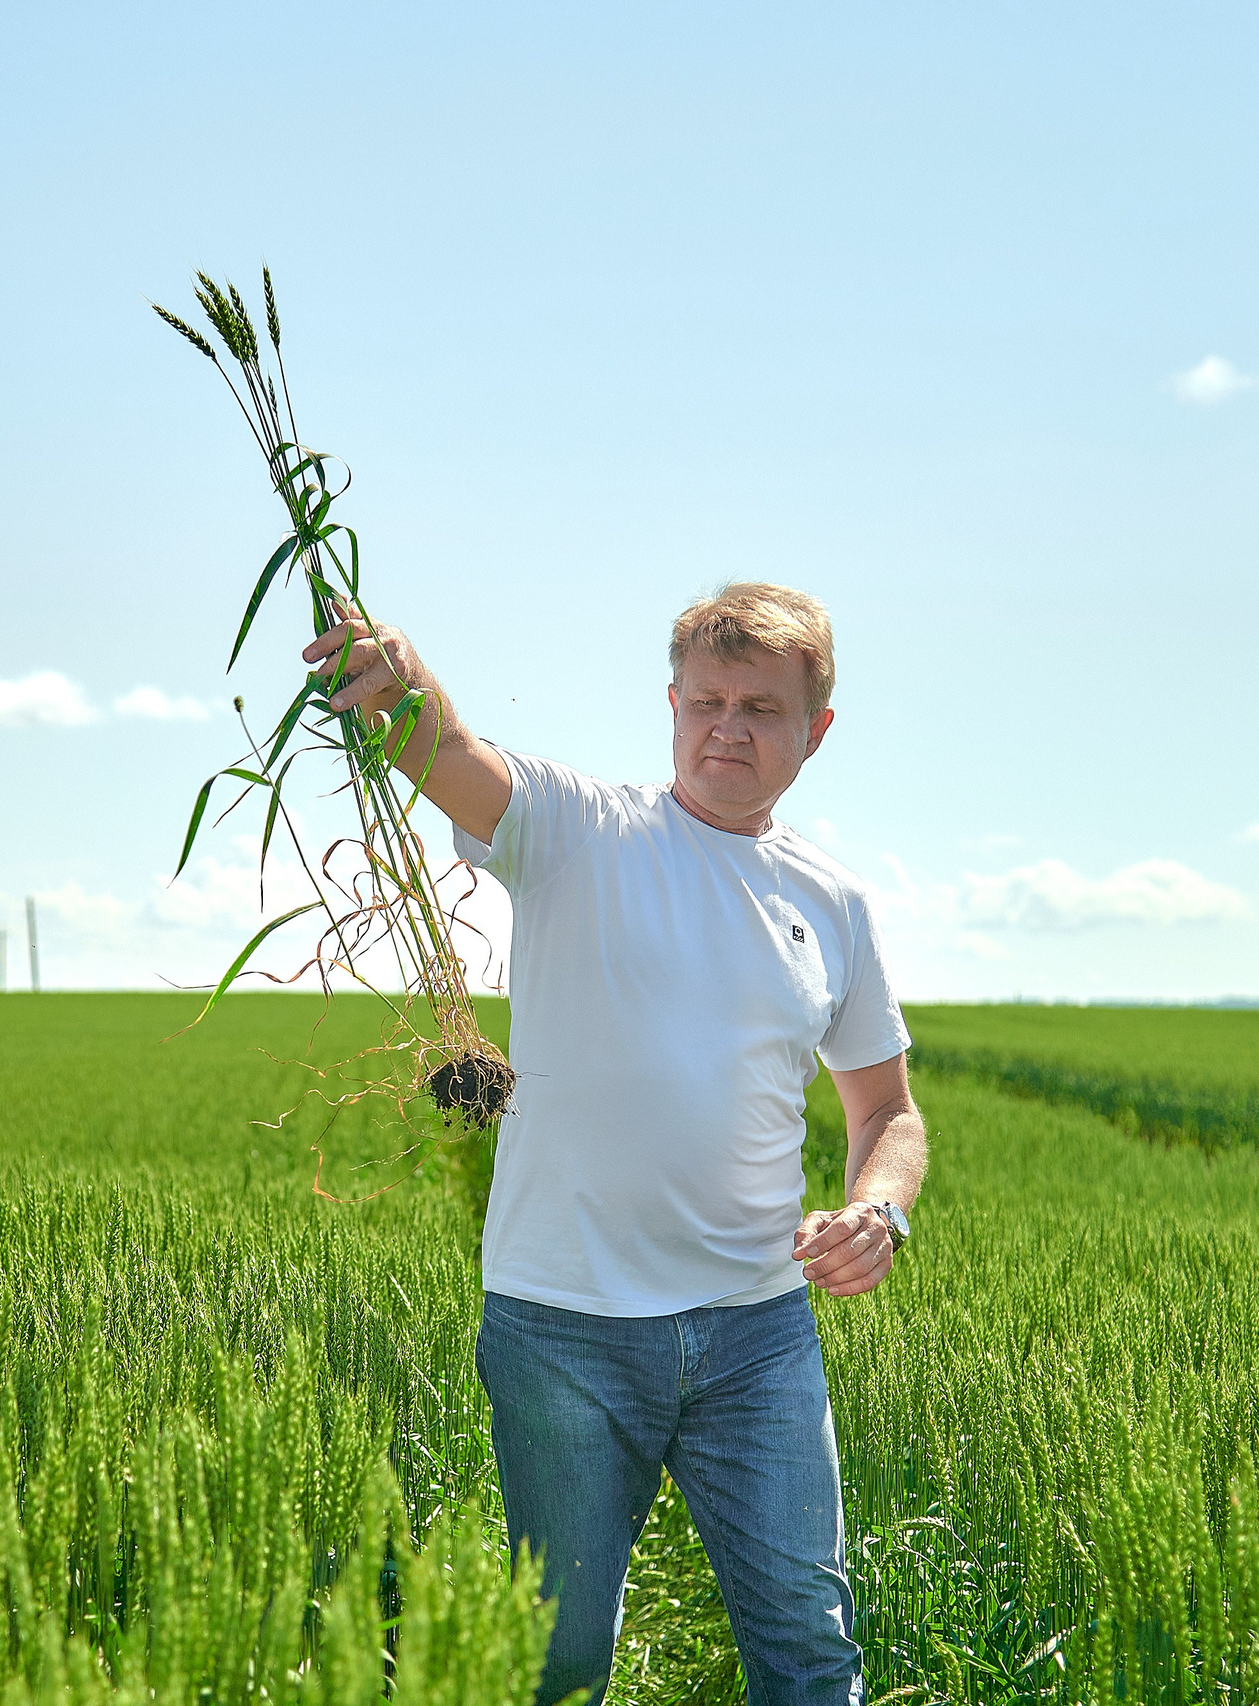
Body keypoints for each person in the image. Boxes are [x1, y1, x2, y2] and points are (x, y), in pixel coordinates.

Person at [303, 581, 926, 1706]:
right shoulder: (577, 826)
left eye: (760, 709)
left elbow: (887, 1112)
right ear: (672, 704)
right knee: (562, 1662)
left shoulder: (832, 902)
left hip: (756, 1333)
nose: (724, 728)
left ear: (814, 730)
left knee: (808, 1645)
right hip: (564, 1331)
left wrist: (878, 1208)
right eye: (704, 701)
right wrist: (396, 675)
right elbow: (443, 747)